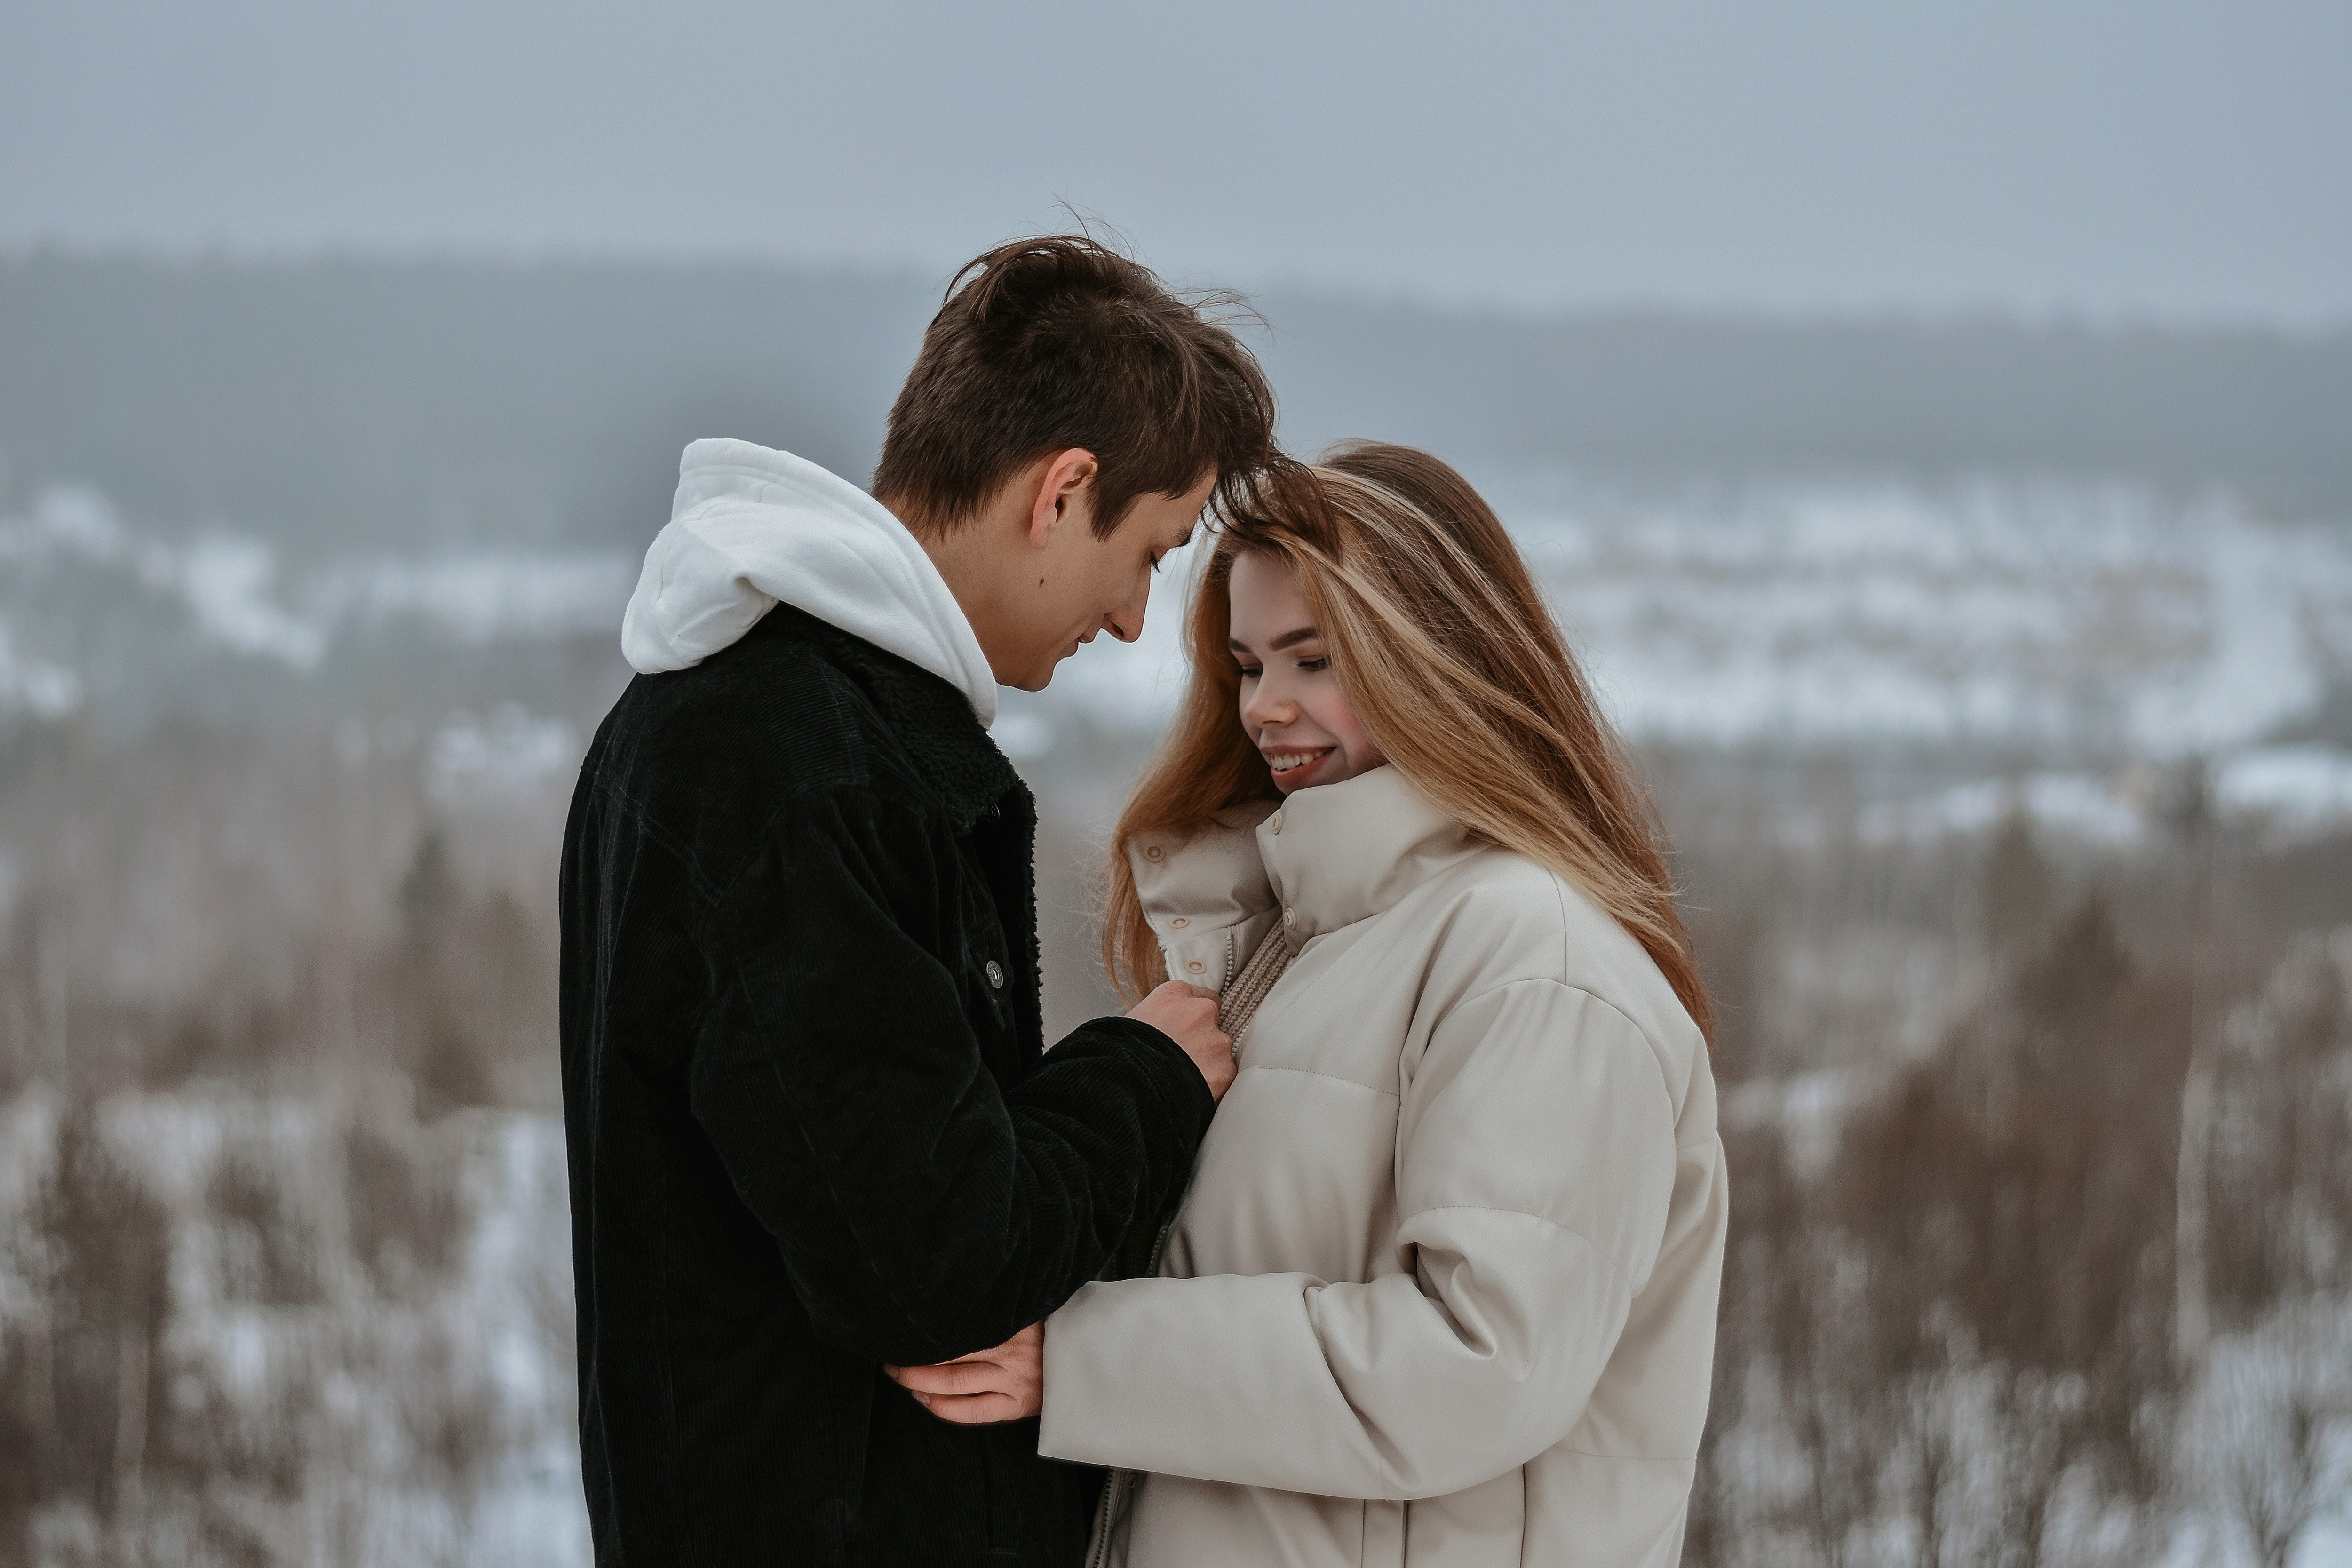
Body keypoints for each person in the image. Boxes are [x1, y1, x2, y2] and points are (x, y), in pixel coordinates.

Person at [558, 236, 1279, 1565]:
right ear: (1063, 492)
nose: (1131, 621)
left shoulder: (795, 726)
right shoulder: (783, 761)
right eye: (1153, 552)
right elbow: (932, 1265)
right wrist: (1147, 1076)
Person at [890, 445, 1728, 1568]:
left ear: (1435, 653)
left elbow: (1481, 1365)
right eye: (1245, 665)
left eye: (1312, 659)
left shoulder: (1539, 962)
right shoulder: (1290, 944)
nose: (1267, 708)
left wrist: (1084, 1360)